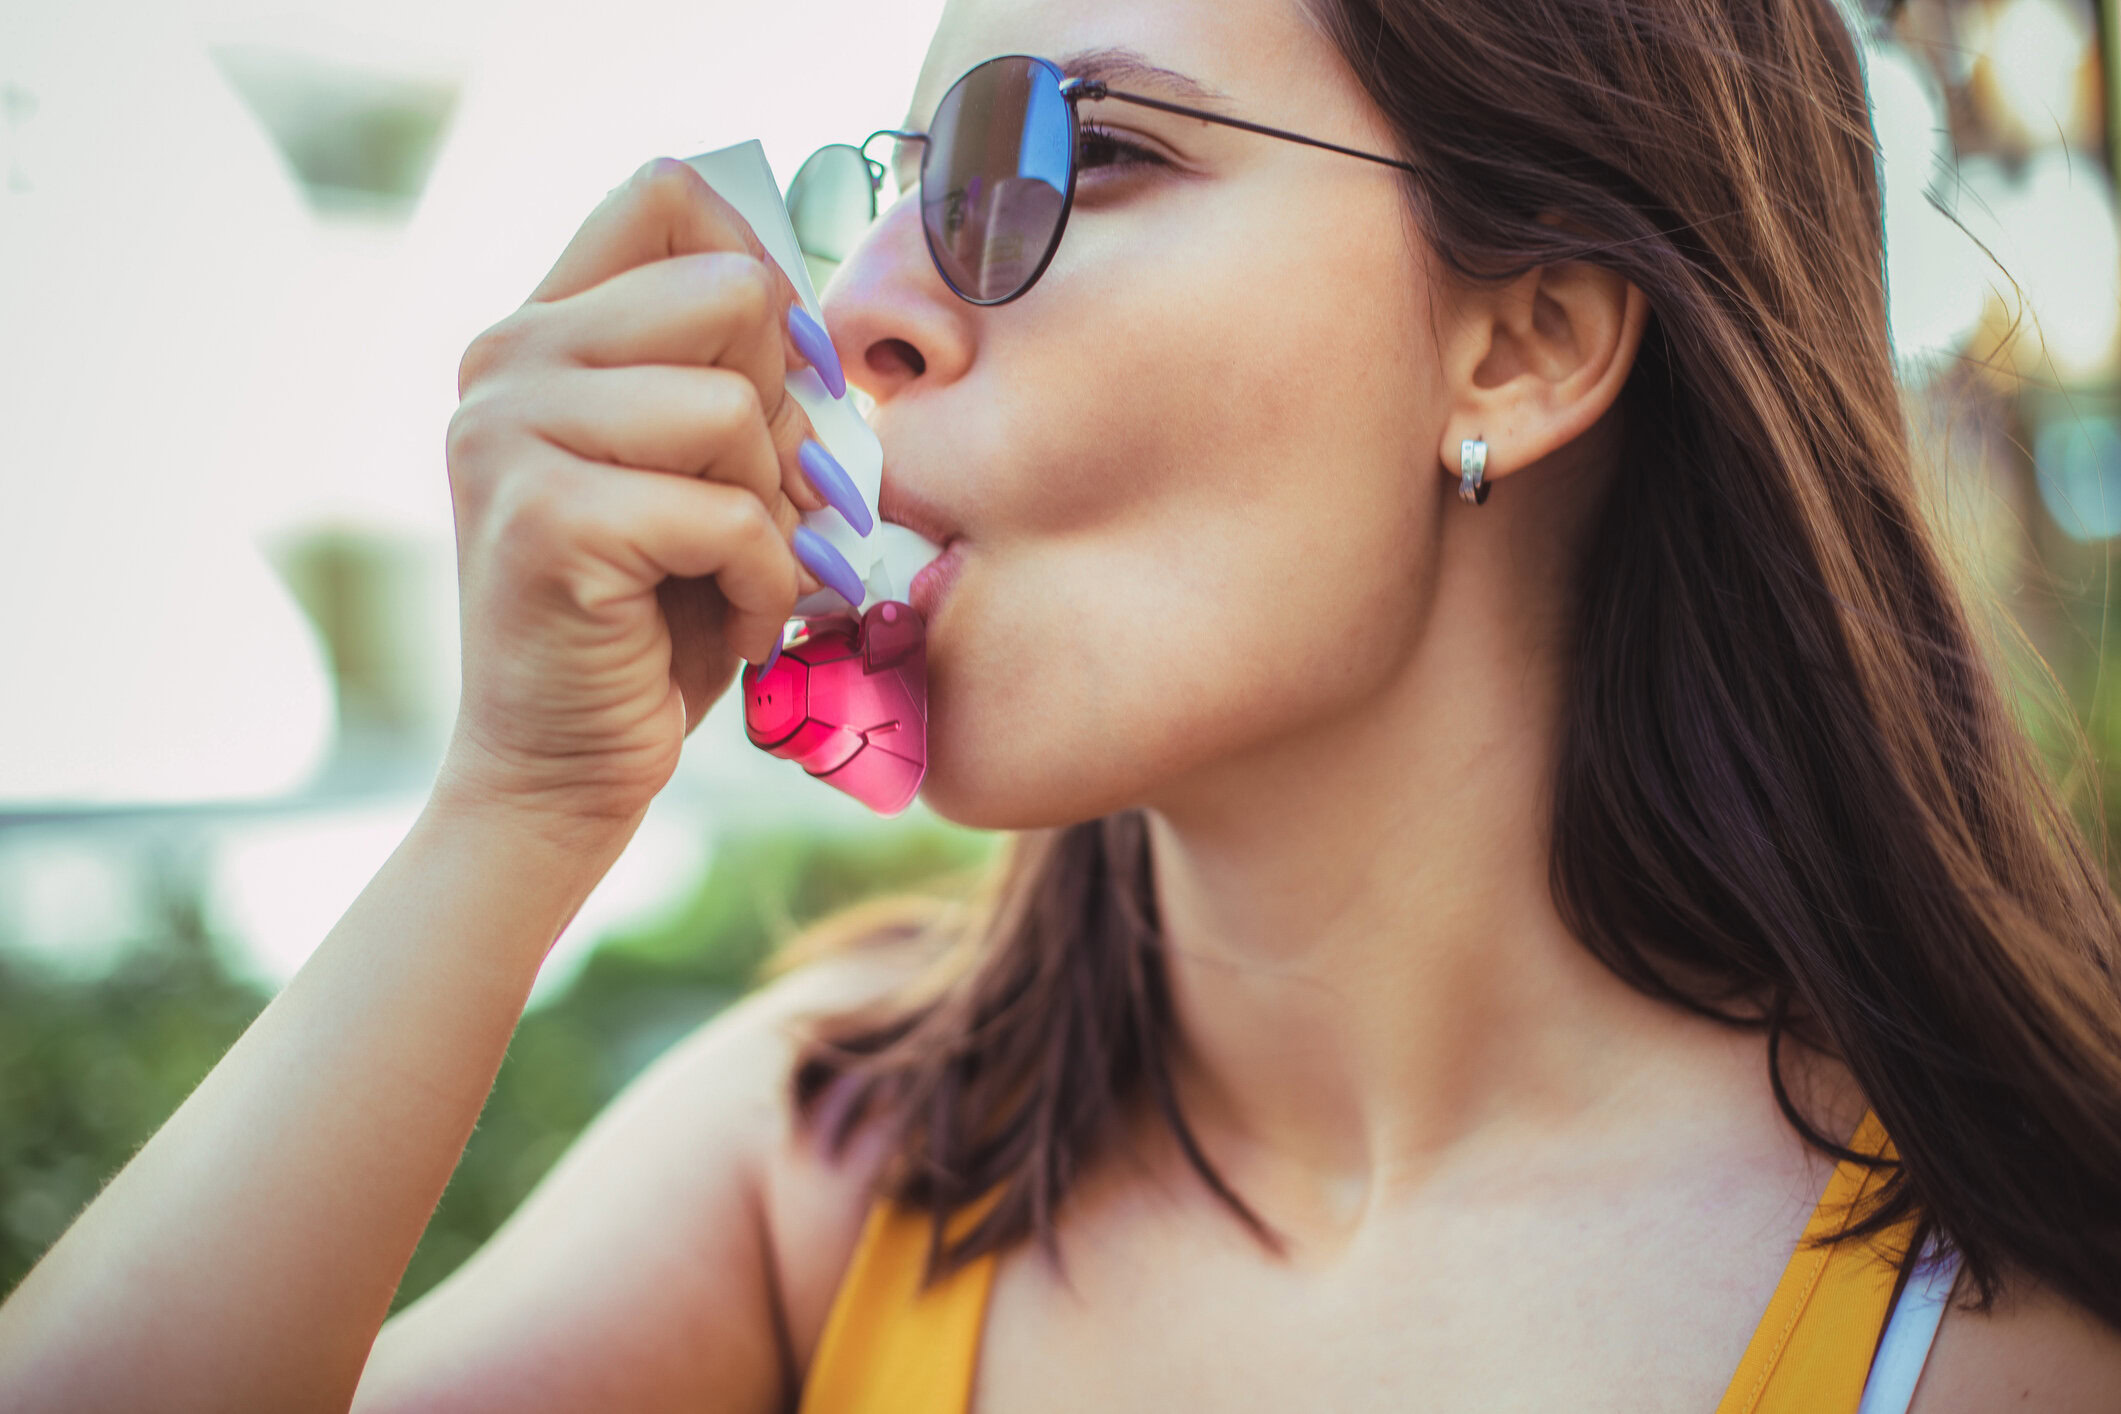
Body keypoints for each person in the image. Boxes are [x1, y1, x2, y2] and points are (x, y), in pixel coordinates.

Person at [4, 0, 2120, 1408]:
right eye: (900, 178)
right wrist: (510, 813)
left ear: (1522, 344)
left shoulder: (2017, 1329)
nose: (854, 315)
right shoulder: (821, 1166)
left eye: (1056, 155)